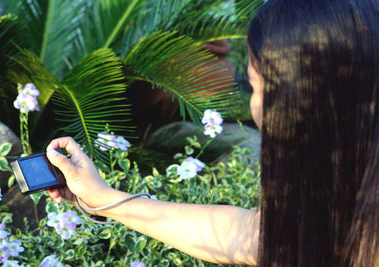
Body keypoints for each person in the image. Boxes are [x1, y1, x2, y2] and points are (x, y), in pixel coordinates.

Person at [46, 0, 379, 266]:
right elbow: (250, 236)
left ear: (299, 99)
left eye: (254, 85)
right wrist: (103, 199)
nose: (253, 106)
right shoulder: (345, 205)